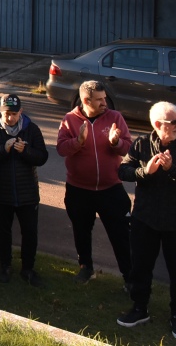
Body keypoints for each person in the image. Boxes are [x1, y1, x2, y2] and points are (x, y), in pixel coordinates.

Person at [116, 102, 176, 338]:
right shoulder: (142, 143)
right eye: (174, 122)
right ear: (158, 125)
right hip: (145, 219)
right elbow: (123, 171)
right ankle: (139, 308)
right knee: (141, 267)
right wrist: (146, 171)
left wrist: (172, 170)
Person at [57, 79, 133, 285]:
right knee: (81, 232)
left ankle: (130, 278)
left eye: (104, 97)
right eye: (99, 100)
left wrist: (116, 142)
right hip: (79, 190)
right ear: (85, 100)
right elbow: (62, 149)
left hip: (111, 189)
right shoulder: (70, 120)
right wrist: (78, 142)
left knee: (121, 235)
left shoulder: (115, 117)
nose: (104, 102)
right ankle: (86, 268)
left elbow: (128, 148)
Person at [0, 94, 48, 286]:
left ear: (20, 112)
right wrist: (3, 149)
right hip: (1, 192)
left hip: (27, 193)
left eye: (14, 114)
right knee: (3, 232)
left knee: (30, 232)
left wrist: (27, 152)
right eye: (6, 113)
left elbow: (42, 157)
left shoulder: (31, 129)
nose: (10, 117)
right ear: (0, 111)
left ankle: (28, 268)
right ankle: (5, 266)